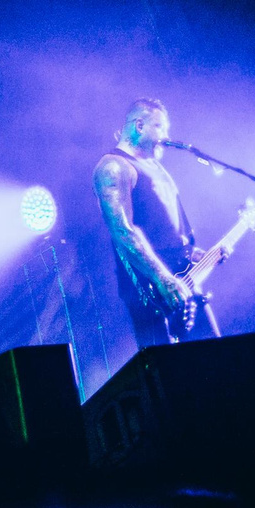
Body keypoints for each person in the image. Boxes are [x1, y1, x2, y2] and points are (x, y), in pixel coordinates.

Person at [93, 97, 219, 347]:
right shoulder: (114, 167)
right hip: (152, 291)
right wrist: (163, 278)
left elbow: (164, 230)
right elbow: (122, 231)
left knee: (217, 356)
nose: (166, 135)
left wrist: (191, 253)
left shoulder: (157, 169)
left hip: (183, 283)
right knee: (171, 373)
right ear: (139, 125)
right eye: (159, 127)